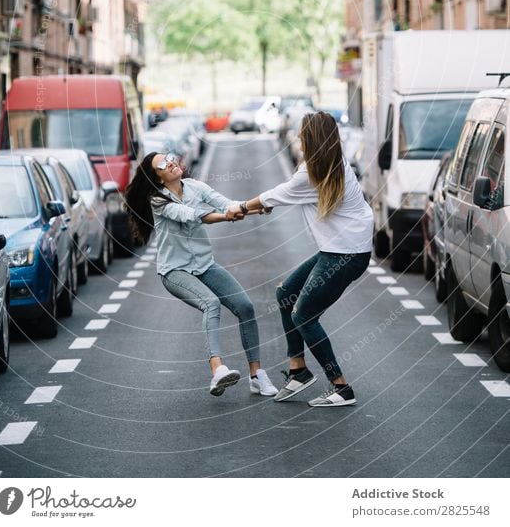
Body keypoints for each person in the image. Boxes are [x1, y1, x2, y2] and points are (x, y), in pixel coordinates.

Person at [236, 110, 373, 407]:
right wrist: (263, 205)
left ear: (310, 139)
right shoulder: (329, 165)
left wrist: (241, 207)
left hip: (345, 254)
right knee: (286, 293)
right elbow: (284, 195)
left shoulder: (314, 172)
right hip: (341, 251)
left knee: (303, 315)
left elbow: (280, 193)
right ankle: (298, 370)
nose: (297, 137)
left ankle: (341, 387)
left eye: (302, 134)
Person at [124, 152, 278, 398]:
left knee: (245, 307)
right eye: (163, 164)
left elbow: (226, 203)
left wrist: (256, 208)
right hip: (175, 271)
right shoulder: (158, 201)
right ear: (158, 178)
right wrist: (227, 216)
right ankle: (217, 370)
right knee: (211, 303)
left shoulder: (196, 187)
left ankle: (256, 376)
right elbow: (192, 215)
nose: (172, 162)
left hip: (204, 265)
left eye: (170, 157)